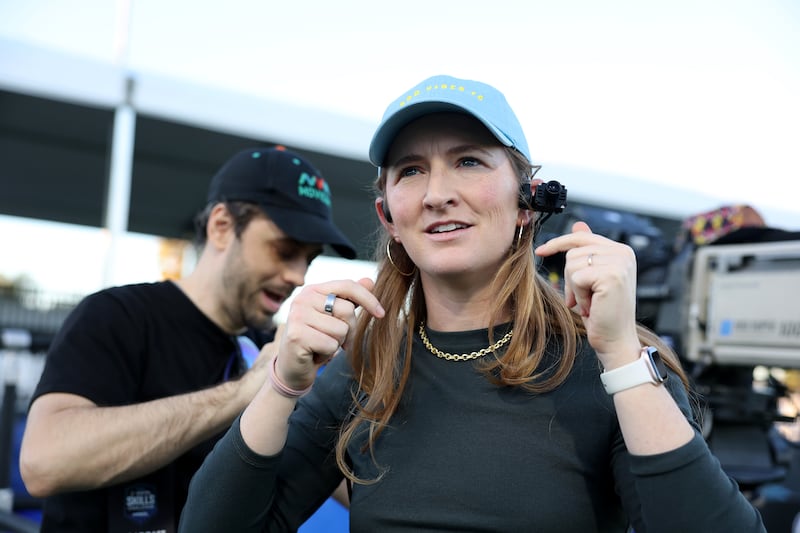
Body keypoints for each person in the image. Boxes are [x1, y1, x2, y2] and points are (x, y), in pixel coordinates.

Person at [178, 75, 766, 532]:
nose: (437, 194)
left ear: (528, 203)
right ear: (390, 216)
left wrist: (620, 354)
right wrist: (282, 384)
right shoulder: (368, 369)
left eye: (468, 161)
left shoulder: (606, 367)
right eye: (411, 171)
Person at [18, 146, 356, 532]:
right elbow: (43, 462)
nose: (298, 275)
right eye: (285, 250)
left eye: (309, 259)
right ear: (221, 226)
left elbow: (350, 481)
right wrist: (248, 390)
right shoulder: (118, 315)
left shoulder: (275, 352)